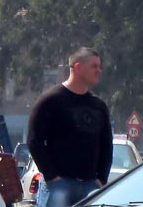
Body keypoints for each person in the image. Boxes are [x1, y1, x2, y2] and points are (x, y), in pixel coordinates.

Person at [27, 47, 113, 207]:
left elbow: (106, 146)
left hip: (91, 186)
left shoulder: (99, 106)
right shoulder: (50, 100)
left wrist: (101, 180)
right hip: (58, 185)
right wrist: (52, 176)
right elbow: (34, 141)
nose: (99, 70)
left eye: (100, 66)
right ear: (78, 67)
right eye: (94, 66)